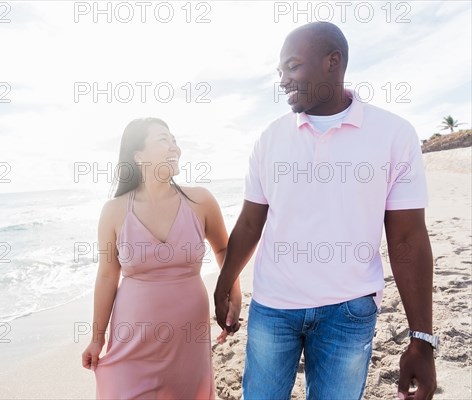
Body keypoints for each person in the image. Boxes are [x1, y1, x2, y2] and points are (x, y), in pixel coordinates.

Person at [214, 22, 437, 400]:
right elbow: (252, 221)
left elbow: (407, 237)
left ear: (332, 62)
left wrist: (422, 338)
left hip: (348, 312)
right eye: (280, 71)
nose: (282, 80)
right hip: (272, 308)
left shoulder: (393, 134)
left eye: (293, 66)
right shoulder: (270, 138)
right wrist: (225, 281)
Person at [81, 118, 241, 399]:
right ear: (138, 156)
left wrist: (233, 296)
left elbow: (224, 250)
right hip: (133, 336)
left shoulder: (200, 201)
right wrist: (97, 338)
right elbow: (107, 275)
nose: (175, 147)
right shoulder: (115, 211)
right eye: (163, 140)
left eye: (174, 141)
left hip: (188, 335)